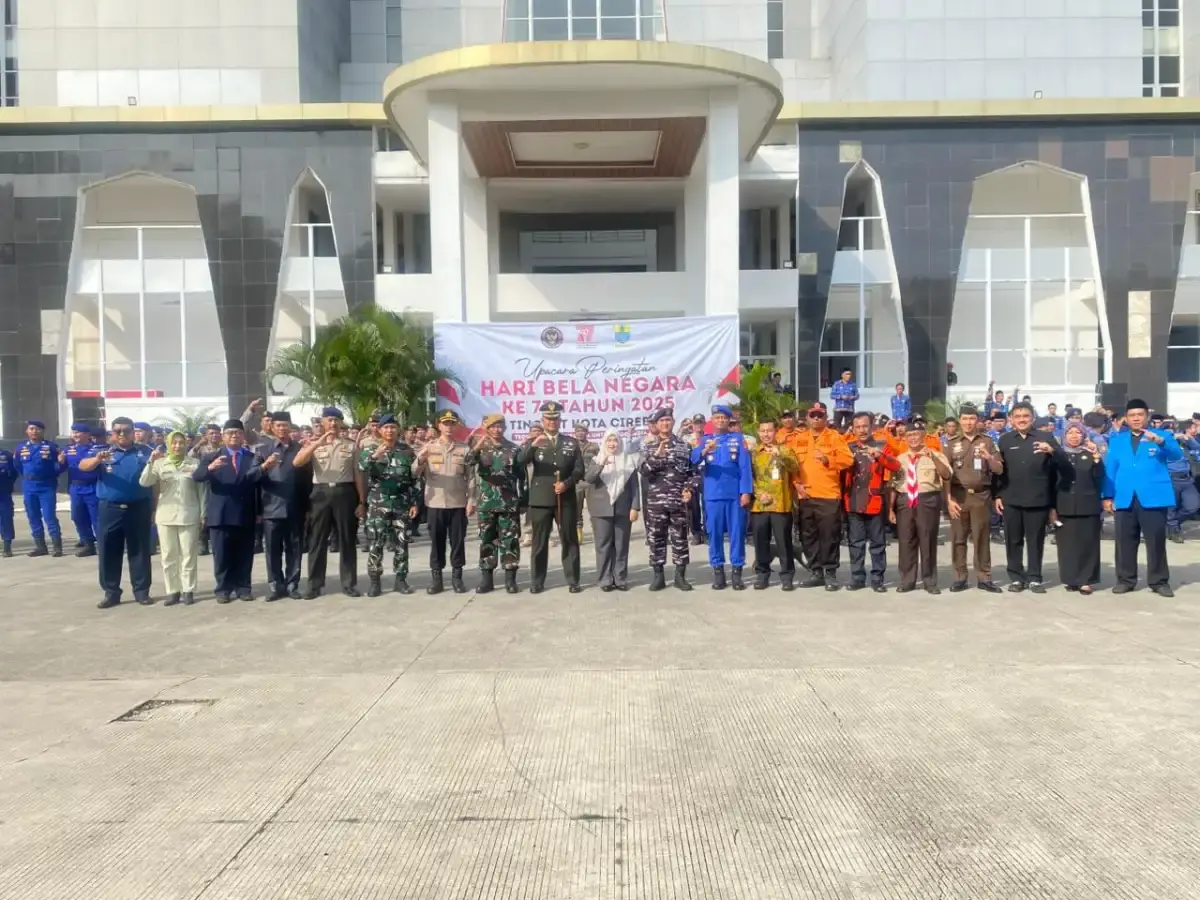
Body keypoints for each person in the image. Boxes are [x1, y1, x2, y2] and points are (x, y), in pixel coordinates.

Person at [1103, 398, 1180, 597]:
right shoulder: (1118, 440)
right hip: (1125, 496)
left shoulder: (1162, 435)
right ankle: (1126, 579)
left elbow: (1176, 455)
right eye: (1132, 415)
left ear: (1146, 416)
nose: (1136, 418)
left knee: (1155, 541)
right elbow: (1111, 468)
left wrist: (1161, 442)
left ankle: (1159, 581)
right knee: (1125, 541)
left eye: (1140, 415)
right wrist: (1107, 495)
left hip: (1153, 496)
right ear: (1126, 419)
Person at [78, 417, 154, 608]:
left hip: (139, 508)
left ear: (132, 432)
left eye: (126, 430)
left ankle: (141, 591)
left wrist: (155, 508)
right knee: (109, 551)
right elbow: (82, 466)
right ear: (112, 433)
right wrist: (97, 460)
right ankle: (111, 592)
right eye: (117, 431)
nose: (122, 434)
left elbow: (156, 479)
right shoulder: (101, 451)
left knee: (139, 551)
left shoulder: (145, 451)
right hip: (110, 509)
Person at [193, 419, 265, 603]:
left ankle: (243, 587)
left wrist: (259, 511)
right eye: (230, 433)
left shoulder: (252, 458)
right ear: (223, 436)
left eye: (238, 432)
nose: (234, 435)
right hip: (220, 514)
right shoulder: (212, 456)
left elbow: (258, 487)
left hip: (245, 512)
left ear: (243, 436)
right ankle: (223, 589)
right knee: (222, 554)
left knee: (244, 553)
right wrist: (210, 468)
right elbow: (198, 477)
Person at [295, 407, 363, 599]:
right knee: (317, 539)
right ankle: (314, 584)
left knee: (347, 539)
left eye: (336, 420)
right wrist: (316, 443)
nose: (333, 424)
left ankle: (349, 583)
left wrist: (362, 501)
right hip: (321, 493)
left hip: (345, 492)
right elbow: (298, 462)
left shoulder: (351, 445)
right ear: (322, 423)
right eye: (329, 420)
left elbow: (358, 474)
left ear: (341, 423)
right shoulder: (313, 443)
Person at [518, 401, 585, 594]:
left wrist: (567, 483)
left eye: (555, 418)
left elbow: (579, 469)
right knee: (539, 542)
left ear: (560, 420)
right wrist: (532, 446)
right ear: (542, 420)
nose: (552, 422)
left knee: (569, 539)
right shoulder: (534, 442)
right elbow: (519, 462)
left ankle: (573, 580)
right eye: (548, 419)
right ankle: (537, 581)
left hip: (565, 498)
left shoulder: (570, 442)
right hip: (540, 500)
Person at [995, 401, 1060, 593]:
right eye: (1018, 416)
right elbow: (999, 470)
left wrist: (1052, 451)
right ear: (1011, 420)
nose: (1022, 420)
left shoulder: (1046, 437)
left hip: (1038, 498)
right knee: (1013, 540)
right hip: (1011, 498)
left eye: (1026, 416)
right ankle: (1016, 577)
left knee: (1035, 540)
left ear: (1032, 418)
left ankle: (1034, 577)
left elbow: (1059, 466)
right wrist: (997, 495)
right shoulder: (1005, 440)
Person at [791, 403, 854, 590]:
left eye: (820, 415)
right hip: (805, 496)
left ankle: (830, 573)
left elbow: (848, 460)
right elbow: (792, 464)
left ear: (825, 418)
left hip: (828, 495)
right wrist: (796, 484)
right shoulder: (799, 439)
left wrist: (829, 460)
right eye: (813, 415)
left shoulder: (834, 437)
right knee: (808, 536)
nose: (816, 418)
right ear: (808, 418)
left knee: (829, 535)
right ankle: (815, 572)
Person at [138, 431, 205, 606]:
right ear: (168, 445)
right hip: (165, 515)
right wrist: (150, 461)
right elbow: (145, 482)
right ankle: (172, 591)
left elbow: (201, 491)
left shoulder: (194, 463)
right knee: (168, 556)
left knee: (188, 555)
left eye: (181, 443)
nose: (177, 446)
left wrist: (203, 514)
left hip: (189, 514)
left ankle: (188, 590)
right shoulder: (160, 463)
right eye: (174, 443)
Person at [944, 403, 1004, 593]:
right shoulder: (951, 443)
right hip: (958, 497)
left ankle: (984, 577)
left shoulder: (987, 442)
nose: (968, 422)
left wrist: (989, 458)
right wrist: (948, 499)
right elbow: (944, 474)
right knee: (958, 539)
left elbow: (999, 469)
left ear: (977, 420)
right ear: (959, 421)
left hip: (980, 497)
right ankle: (960, 577)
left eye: (972, 418)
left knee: (981, 538)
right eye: (964, 419)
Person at [360, 413, 421, 596]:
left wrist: (414, 502)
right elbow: (362, 468)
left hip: (401, 503)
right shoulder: (370, 449)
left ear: (398, 430)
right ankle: (375, 581)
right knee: (375, 543)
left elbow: (414, 478)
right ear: (379, 430)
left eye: (393, 427)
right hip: (379, 503)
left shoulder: (407, 451)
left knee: (402, 543)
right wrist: (375, 455)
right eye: (386, 427)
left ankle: (401, 580)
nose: (389, 430)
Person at [692, 404, 752, 590]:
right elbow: (693, 460)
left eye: (723, 418)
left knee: (737, 533)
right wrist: (704, 450)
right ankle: (718, 572)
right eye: (717, 418)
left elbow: (745, 468)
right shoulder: (706, 440)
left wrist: (746, 492)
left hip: (734, 495)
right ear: (713, 420)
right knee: (714, 534)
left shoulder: (738, 439)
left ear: (728, 420)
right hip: (713, 495)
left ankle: (737, 572)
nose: (720, 421)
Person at [414, 409, 472, 595]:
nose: (448, 427)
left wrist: (472, 500)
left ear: (456, 426)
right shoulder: (430, 448)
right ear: (438, 426)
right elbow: (414, 471)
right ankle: (436, 579)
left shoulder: (464, 449)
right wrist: (421, 459)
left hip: (457, 503)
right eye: (445, 423)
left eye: (451, 423)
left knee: (457, 542)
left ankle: (457, 578)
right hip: (435, 503)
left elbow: (471, 478)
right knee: (437, 542)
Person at [466, 414, 523, 594]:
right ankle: (487, 580)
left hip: (508, 503)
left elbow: (522, 477)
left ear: (504, 428)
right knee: (487, 541)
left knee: (510, 541)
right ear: (487, 428)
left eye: (500, 426)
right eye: (493, 426)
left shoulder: (513, 449)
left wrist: (524, 500)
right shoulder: (481, 447)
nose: (497, 430)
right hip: (487, 503)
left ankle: (510, 579)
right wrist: (476, 448)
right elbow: (467, 463)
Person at [843, 412, 899, 592]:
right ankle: (857, 577)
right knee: (856, 543)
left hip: (874, 501)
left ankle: (877, 579)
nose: (862, 430)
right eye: (858, 427)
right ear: (853, 428)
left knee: (877, 543)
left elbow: (896, 465)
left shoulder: (882, 445)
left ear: (871, 426)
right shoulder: (848, 446)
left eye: (865, 426)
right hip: (852, 501)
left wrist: (879, 456)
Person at [256, 411, 309, 602]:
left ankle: (292, 584)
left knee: (294, 548)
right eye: (278, 425)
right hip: (271, 508)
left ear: (290, 426)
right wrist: (265, 466)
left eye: (285, 425)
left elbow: (306, 480)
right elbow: (253, 477)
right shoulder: (263, 449)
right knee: (272, 550)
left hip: (295, 506)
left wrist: (307, 506)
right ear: (271, 427)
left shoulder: (300, 449)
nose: (281, 428)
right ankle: (276, 586)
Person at [641, 408, 695, 591]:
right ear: (656, 424)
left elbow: (692, 472)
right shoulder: (648, 446)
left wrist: (689, 489)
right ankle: (658, 576)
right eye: (661, 420)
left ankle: (680, 576)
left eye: (668, 420)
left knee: (680, 537)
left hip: (678, 501)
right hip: (656, 501)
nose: (665, 423)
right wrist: (658, 454)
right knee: (656, 538)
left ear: (672, 422)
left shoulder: (684, 446)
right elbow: (644, 471)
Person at [894, 425, 952, 593]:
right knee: (906, 541)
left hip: (927, 500)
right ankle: (907, 580)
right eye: (909, 435)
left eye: (916, 434)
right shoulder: (901, 458)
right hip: (905, 500)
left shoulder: (936, 454)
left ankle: (930, 581)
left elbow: (947, 475)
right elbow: (894, 483)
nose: (913, 438)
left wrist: (932, 457)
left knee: (928, 541)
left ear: (924, 436)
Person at [1052, 422, 1105, 595]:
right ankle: (1071, 579)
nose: (1074, 436)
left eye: (1078, 433)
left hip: (1088, 505)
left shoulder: (1089, 454)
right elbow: (1051, 482)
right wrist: (1052, 507)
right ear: (1064, 436)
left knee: (1088, 544)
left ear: (1084, 436)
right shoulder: (1057, 456)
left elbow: (1100, 477)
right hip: (1064, 505)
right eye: (1070, 433)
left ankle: (1086, 580)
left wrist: (1096, 456)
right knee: (1067, 545)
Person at [587, 428, 642, 591]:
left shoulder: (627, 461)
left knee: (621, 545)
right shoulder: (596, 460)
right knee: (603, 545)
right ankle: (605, 580)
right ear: (604, 442)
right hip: (600, 510)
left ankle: (620, 579)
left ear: (620, 442)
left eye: (615, 440)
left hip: (623, 509)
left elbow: (634, 487)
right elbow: (589, 478)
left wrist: (635, 507)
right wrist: (601, 464)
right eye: (609, 440)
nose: (612, 444)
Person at [749, 419, 799, 590]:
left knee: (783, 541)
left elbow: (795, 468)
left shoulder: (785, 449)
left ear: (775, 432)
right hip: (759, 505)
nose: (766, 434)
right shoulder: (754, 452)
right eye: (763, 431)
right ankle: (762, 574)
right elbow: (748, 476)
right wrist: (758, 493)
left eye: (769, 431)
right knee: (760, 541)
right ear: (758, 433)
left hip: (781, 505)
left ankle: (787, 576)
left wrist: (780, 455)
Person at [14, 419, 65, 558]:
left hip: (46, 485)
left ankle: (57, 547)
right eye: (31, 429)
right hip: (29, 485)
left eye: (37, 429)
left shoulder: (52, 447)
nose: (34, 431)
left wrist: (59, 465)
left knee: (49, 516)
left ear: (42, 431)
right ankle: (40, 546)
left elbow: (60, 465)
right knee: (33, 516)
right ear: (27, 431)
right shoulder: (21, 448)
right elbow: (17, 465)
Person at [63, 423, 100, 557]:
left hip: (92, 486)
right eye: (73, 432)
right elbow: (61, 468)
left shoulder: (95, 449)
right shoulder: (68, 450)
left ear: (87, 435)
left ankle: (103, 545)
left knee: (96, 518)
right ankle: (88, 544)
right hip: (76, 487)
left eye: (78, 432)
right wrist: (59, 462)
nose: (75, 435)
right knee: (78, 517)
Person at [573, 422, 600, 544]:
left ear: (586, 433)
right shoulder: (571, 446)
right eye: (578, 431)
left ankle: (597, 531)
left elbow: (599, 462)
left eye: (582, 431)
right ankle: (578, 532)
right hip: (577, 482)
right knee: (576, 509)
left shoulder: (594, 447)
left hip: (590, 482)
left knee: (594, 508)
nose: (580, 433)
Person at [0, 444, 16, 557]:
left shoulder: (6, 456)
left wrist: (8, 485)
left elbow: (15, 472)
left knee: (6, 518)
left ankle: (7, 546)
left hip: (3, 491)